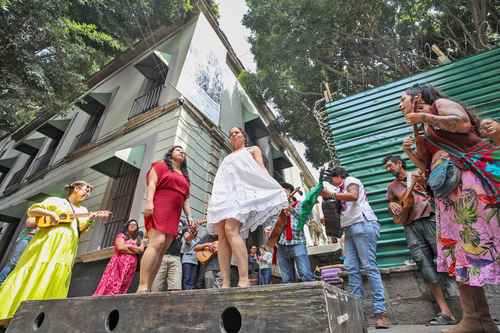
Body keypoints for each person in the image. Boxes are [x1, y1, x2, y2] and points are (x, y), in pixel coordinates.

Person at [401, 84, 499, 333]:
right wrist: (410, 152)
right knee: (462, 252)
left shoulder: (439, 106)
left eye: (402, 100)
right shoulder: (425, 125)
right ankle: (477, 319)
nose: (400, 106)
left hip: (471, 184)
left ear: (417, 98)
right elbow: (426, 164)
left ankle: (478, 319)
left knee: (487, 243)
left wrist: (425, 115)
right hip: (450, 194)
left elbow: (462, 123)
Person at [0, 180, 98, 323]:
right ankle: (10, 315)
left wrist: (90, 220)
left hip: (66, 250)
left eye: (90, 191)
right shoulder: (56, 201)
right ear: (76, 188)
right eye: (86, 189)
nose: (87, 193)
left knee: (55, 276)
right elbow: (33, 211)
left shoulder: (83, 210)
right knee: (36, 273)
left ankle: (40, 318)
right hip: (46, 245)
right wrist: (49, 213)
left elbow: (80, 230)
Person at [207, 127, 288, 288]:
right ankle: (225, 281)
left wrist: (273, 186)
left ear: (244, 136)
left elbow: (261, 169)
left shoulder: (253, 149)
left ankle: (243, 278)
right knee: (222, 236)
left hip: (241, 196)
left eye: (236, 132)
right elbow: (221, 180)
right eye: (231, 134)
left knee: (231, 229)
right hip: (224, 197)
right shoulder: (227, 158)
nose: (233, 135)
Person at [383, 155, 456, 325]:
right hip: (410, 225)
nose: (388, 169)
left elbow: (434, 190)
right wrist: (391, 205)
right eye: (386, 167)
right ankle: (445, 312)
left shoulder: (416, 173)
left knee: (449, 259)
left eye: (390, 165)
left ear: (399, 163)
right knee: (424, 265)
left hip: (430, 219)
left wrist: (422, 182)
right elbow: (392, 204)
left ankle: (472, 310)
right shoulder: (391, 187)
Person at [321, 167, 391, 329]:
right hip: (350, 229)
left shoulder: (351, 181)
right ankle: (357, 313)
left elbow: (353, 196)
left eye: (333, 179)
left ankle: (381, 314)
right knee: (352, 269)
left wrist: (331, 194)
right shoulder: (339, 190)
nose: (332, 183)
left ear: (339, 176)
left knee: (369, 267)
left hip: (363, 224)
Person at [138, 146, 192, 293]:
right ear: (170, 153)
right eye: (178, 149)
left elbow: (186, 199)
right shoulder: (160, 165)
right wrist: (149, 202)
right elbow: (152, 184)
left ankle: (148, 286)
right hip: (160, 205)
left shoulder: (185, 177)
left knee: (162, 250)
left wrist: (189, 217)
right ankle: (142, 285)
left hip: (174, 214)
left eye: (183, 151)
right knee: (157, 242)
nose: (181, 152)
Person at [276, 182, 314, 283]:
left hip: (297, 241)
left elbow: (306, 219)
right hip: (281, 243)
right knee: (286, 278)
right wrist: (269, 230)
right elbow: (272, 223)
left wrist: (292, 210)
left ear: (290, 191)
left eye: (283, 191)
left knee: (305, 273)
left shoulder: (301, 205)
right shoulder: (277, 208)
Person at [94, 220, 144, 296]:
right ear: (127, 226)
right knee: (113, 281)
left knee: (125, 282)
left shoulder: (139, 239)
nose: (132, 225)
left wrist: (128, 246)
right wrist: (134, 251)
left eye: (135, 225)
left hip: (131, 266)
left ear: (137, 228)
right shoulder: (121, 235)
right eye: (130, 224)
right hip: (118, 264)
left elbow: (141, 250)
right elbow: (121, 247)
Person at [151, 220, 187, 292]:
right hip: (161, 257)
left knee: (176, 288)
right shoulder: (166, 225)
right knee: (156, 287)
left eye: (180, 226)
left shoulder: (183, 228)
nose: (179, 228)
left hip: (176, 258)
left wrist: (193, 231)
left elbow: (188, 237)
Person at [0, 218, 37, 284]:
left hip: (31, 242)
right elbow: (29, 223)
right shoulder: (38, 215)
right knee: (12, 263)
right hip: (26, 240)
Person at [180, 226, 200, 290]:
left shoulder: (197, 239)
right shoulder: (186, 237)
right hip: (187, 261)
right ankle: (186, 292)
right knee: (187, 278)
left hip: (195, 261)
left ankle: (191, 292)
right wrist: (192, 231)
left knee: (193, 279)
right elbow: (188, 239)